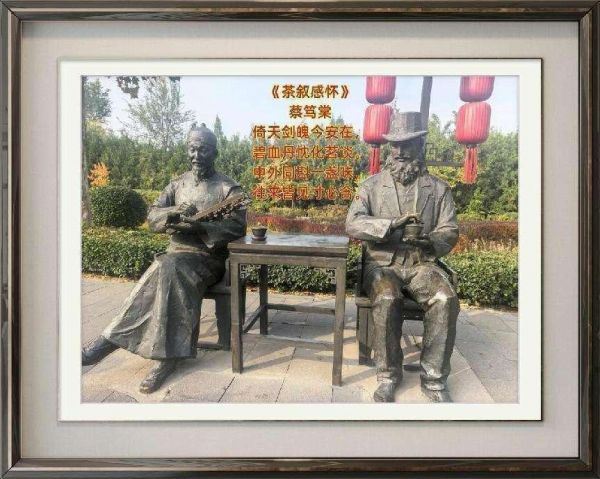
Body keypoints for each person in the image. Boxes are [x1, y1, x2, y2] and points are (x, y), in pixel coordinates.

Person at [82, 123, 247, 394]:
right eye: (192, 149)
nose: (196, 155)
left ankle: (138, 350)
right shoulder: (177, 184)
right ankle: (150, 350)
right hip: (174, 256)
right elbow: (152, 215)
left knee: (167, 266)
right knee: (163, 268)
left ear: (215, 153)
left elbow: (238, 226)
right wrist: (174, 211)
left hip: (207, 258)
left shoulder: (228, 188)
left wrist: (202, 227)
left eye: (203, 150)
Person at [346, 111, 459, 403]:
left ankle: (434, 380)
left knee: (445, 298)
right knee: (387, 298)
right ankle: (388, 376)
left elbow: (449, 230)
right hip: (383, 264)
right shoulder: (371, 186)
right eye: (394, 144)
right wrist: (389, 225)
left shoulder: (439, 189)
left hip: (422, 264)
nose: (399, 151)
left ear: (420, 145)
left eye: (406, 144)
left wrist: (429, 240)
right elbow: (353, 223)